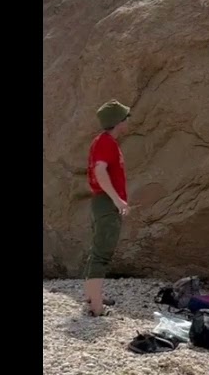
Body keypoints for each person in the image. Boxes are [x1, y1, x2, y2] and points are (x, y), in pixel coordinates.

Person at [83, 99, 132, 316]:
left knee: (97, 250)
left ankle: (92, 296)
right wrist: (117, 200)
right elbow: (100, 172)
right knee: (102, 253)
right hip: (105, 202)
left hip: (102, 201)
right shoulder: (106, 143)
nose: (128, 120)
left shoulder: (104, 141)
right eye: (125, 117)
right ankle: (96, 306)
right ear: (118, 121)